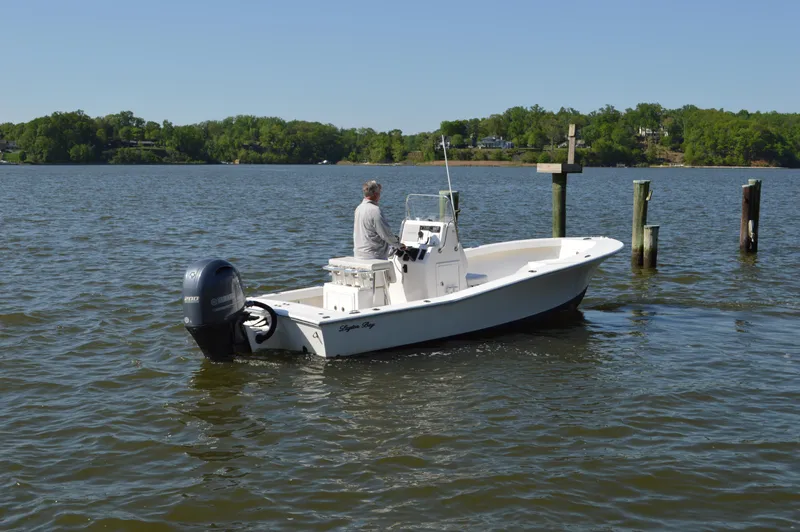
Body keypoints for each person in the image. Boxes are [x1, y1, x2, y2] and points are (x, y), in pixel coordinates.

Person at [353, 180, 404, 259]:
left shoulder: (359, 208)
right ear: (376, 194)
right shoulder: (375, 210)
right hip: (374, 255)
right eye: (379, 193)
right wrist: (399, 245)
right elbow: (385, 234)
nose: (380, 195)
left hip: (359, 254)